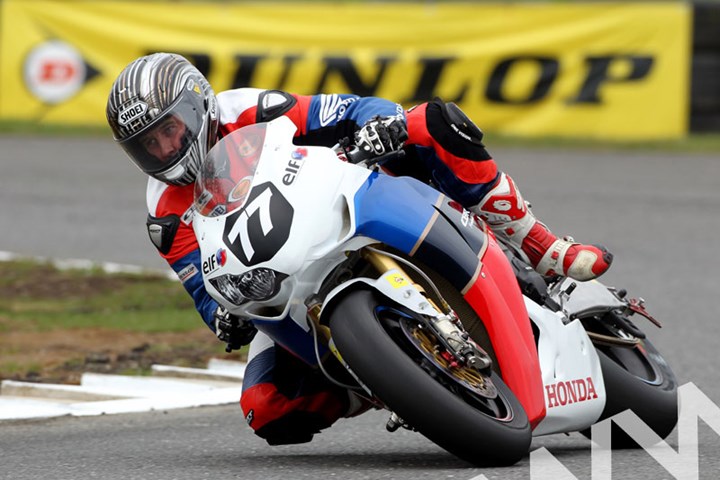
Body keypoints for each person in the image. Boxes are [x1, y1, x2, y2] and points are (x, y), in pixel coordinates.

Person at [106, 52, 612, 445]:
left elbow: (348, 110)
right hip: (288, 281)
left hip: (348, 197)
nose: (165, 152)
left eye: (169, 132)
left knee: (431, 122)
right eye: (148, 146)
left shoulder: (252, 108)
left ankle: (538, 242)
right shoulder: (166, 216)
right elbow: (202, 286)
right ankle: (385, 380)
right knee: (268, 409)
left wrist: (383, 126)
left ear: (197, 109)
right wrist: (223, 317)